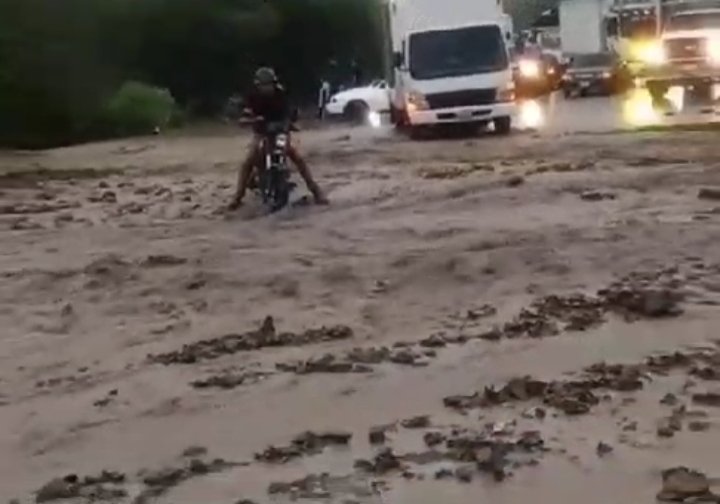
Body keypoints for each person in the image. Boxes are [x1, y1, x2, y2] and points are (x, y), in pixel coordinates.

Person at [229, 67, 327, 210]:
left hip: (280, 132)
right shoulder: (252, 96)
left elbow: (290, 112)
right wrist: (248, 119)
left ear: (274, 83)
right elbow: (246, 113)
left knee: (296, 157)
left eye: (269, 84)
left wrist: (291, 122)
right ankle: (238, 197)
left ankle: (316, 190)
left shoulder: (281, 94)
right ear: (258, 85)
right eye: (263, 85)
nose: (266, 87)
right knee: (248, 161)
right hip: (261, 133)